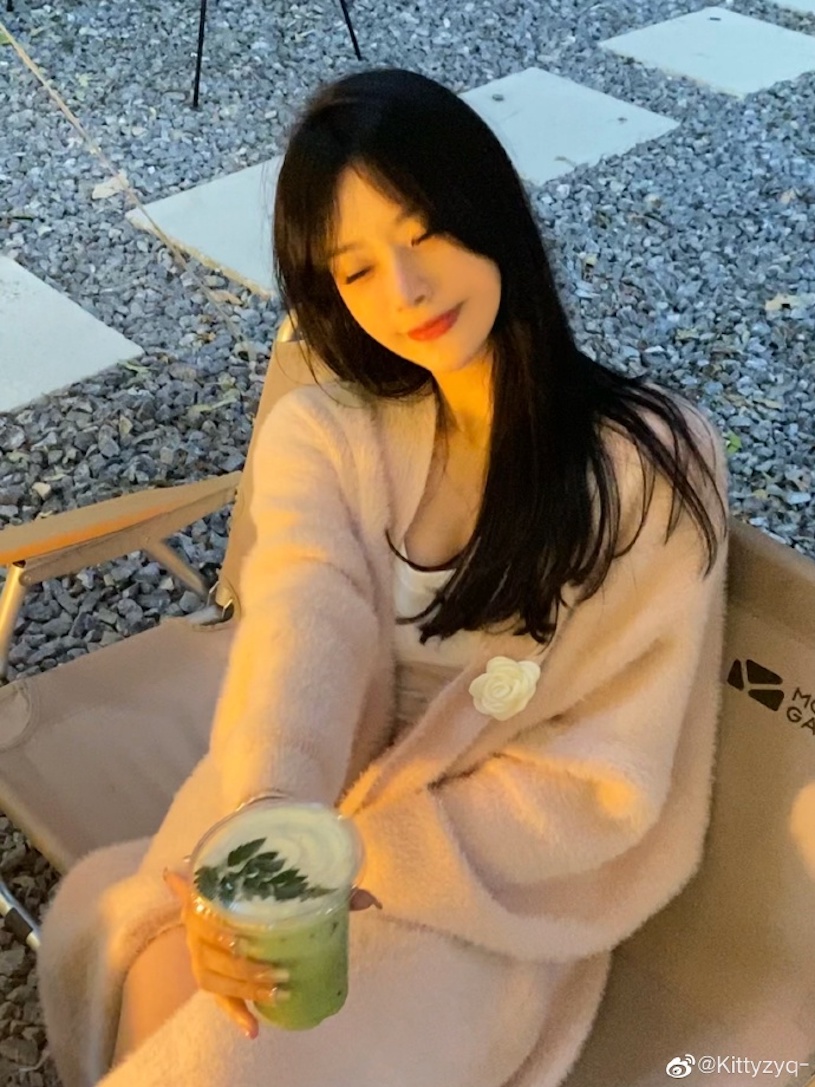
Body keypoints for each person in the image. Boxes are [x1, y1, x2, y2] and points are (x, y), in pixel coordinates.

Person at [37, 66, 730, 1087]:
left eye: (423, 234)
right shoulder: (327, 431)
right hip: (294, 810)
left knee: (230, 1062)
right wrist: (269, 829)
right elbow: (298, 634)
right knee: (163, 985)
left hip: (481, 886)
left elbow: (604, 771)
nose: (404, 293)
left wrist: (371, 850)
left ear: (488, 212)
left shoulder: (645, 466)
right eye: (356, 271)